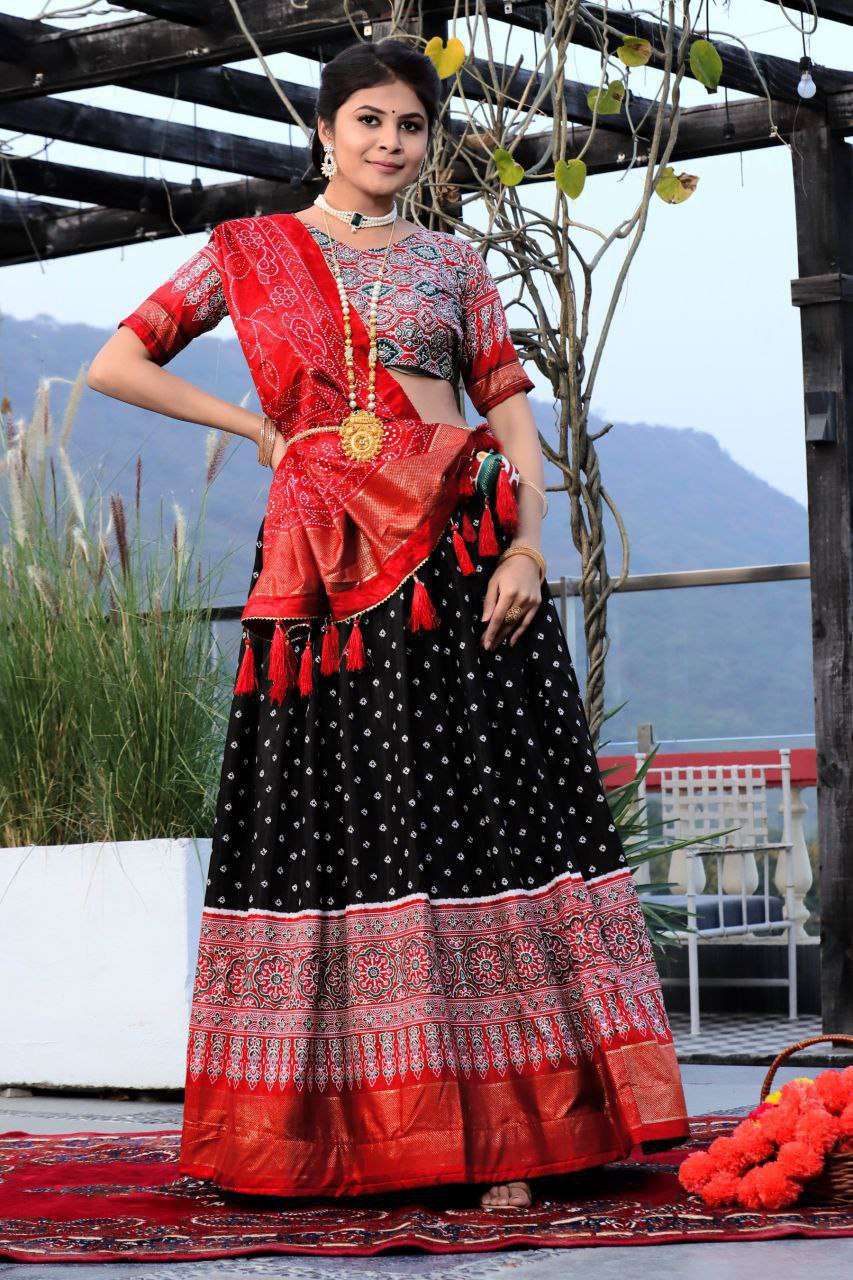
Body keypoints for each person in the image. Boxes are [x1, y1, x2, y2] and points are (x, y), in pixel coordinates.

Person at [87, 37, 690, 1210]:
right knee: (343, 821)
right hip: (325, 566)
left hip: (457, 552)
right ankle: (345, 1132)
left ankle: (513, 1131)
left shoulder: (453, 261)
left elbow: (507, 412)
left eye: (411, 125)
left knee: (486, 820)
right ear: (324, 131)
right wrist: (260, 432)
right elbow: (119, 362)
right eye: (368, 119)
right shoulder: (250, 250)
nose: (390, 142)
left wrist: (529, 546)